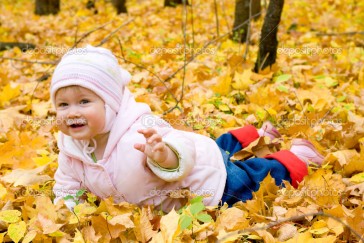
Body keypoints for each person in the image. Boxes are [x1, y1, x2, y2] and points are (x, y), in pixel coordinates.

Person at [51, 45, 324, 211]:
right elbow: (67, 186)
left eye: (84, 102)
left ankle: (295, 157)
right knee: (215, 148)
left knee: (250, 180)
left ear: (110, 104)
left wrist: (162, 155)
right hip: (201, 150)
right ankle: (254, 135)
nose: (72, 112)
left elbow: (181, 151)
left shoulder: (140, 128)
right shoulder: (71, 149)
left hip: (208, 184)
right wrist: (67, 212)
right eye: (63, 105)